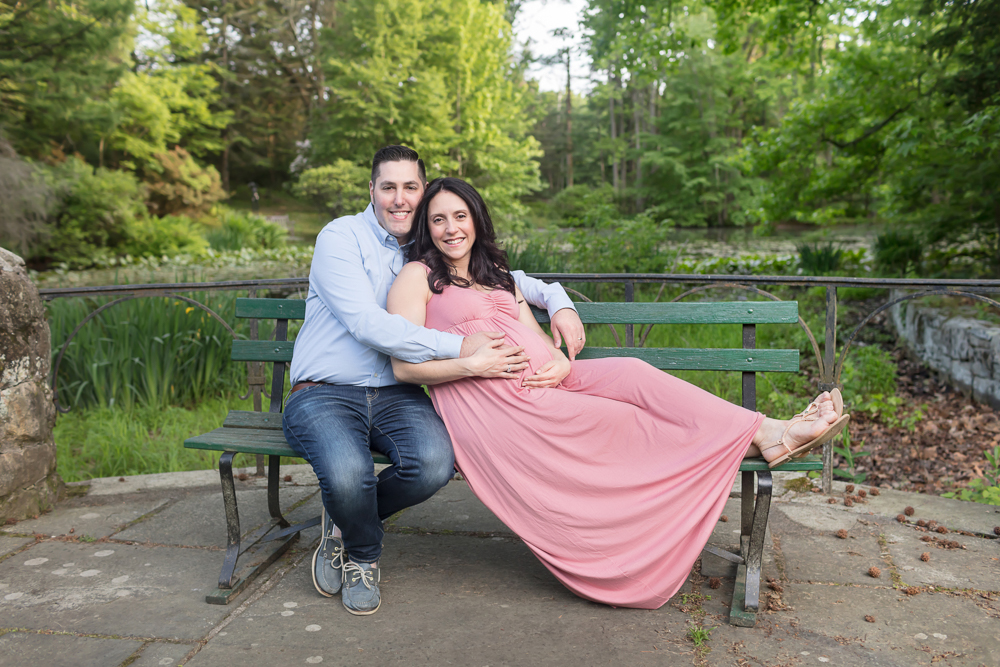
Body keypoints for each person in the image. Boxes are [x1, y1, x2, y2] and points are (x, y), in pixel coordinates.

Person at [386, 177, 850, 609]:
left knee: (632, 371)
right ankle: (768, 436)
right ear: (426, 227)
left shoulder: (498, 272)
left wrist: (561, 360)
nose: (451, 228)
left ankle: (768, 431)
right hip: (505, 404)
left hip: (547, 377)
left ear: (477, 219)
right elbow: (405, 367)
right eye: (439, 219)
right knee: (627, 419)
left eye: (460, 216)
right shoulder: (417, 278)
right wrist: (471, 364)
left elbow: (537, 338)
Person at [281, 146, 586, 616]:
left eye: (410, 187)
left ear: (422, 193)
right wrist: (460, 348)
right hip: (325, 391)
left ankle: (345, 521)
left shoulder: (424, 245)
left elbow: (504, 277)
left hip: (397, 394)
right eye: (389, 187)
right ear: (372, 191)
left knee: (433, 465)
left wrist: (558, 298)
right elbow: (366, 324)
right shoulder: (341, 237)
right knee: (348, 475)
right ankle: (363, 555)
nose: (399, 199)